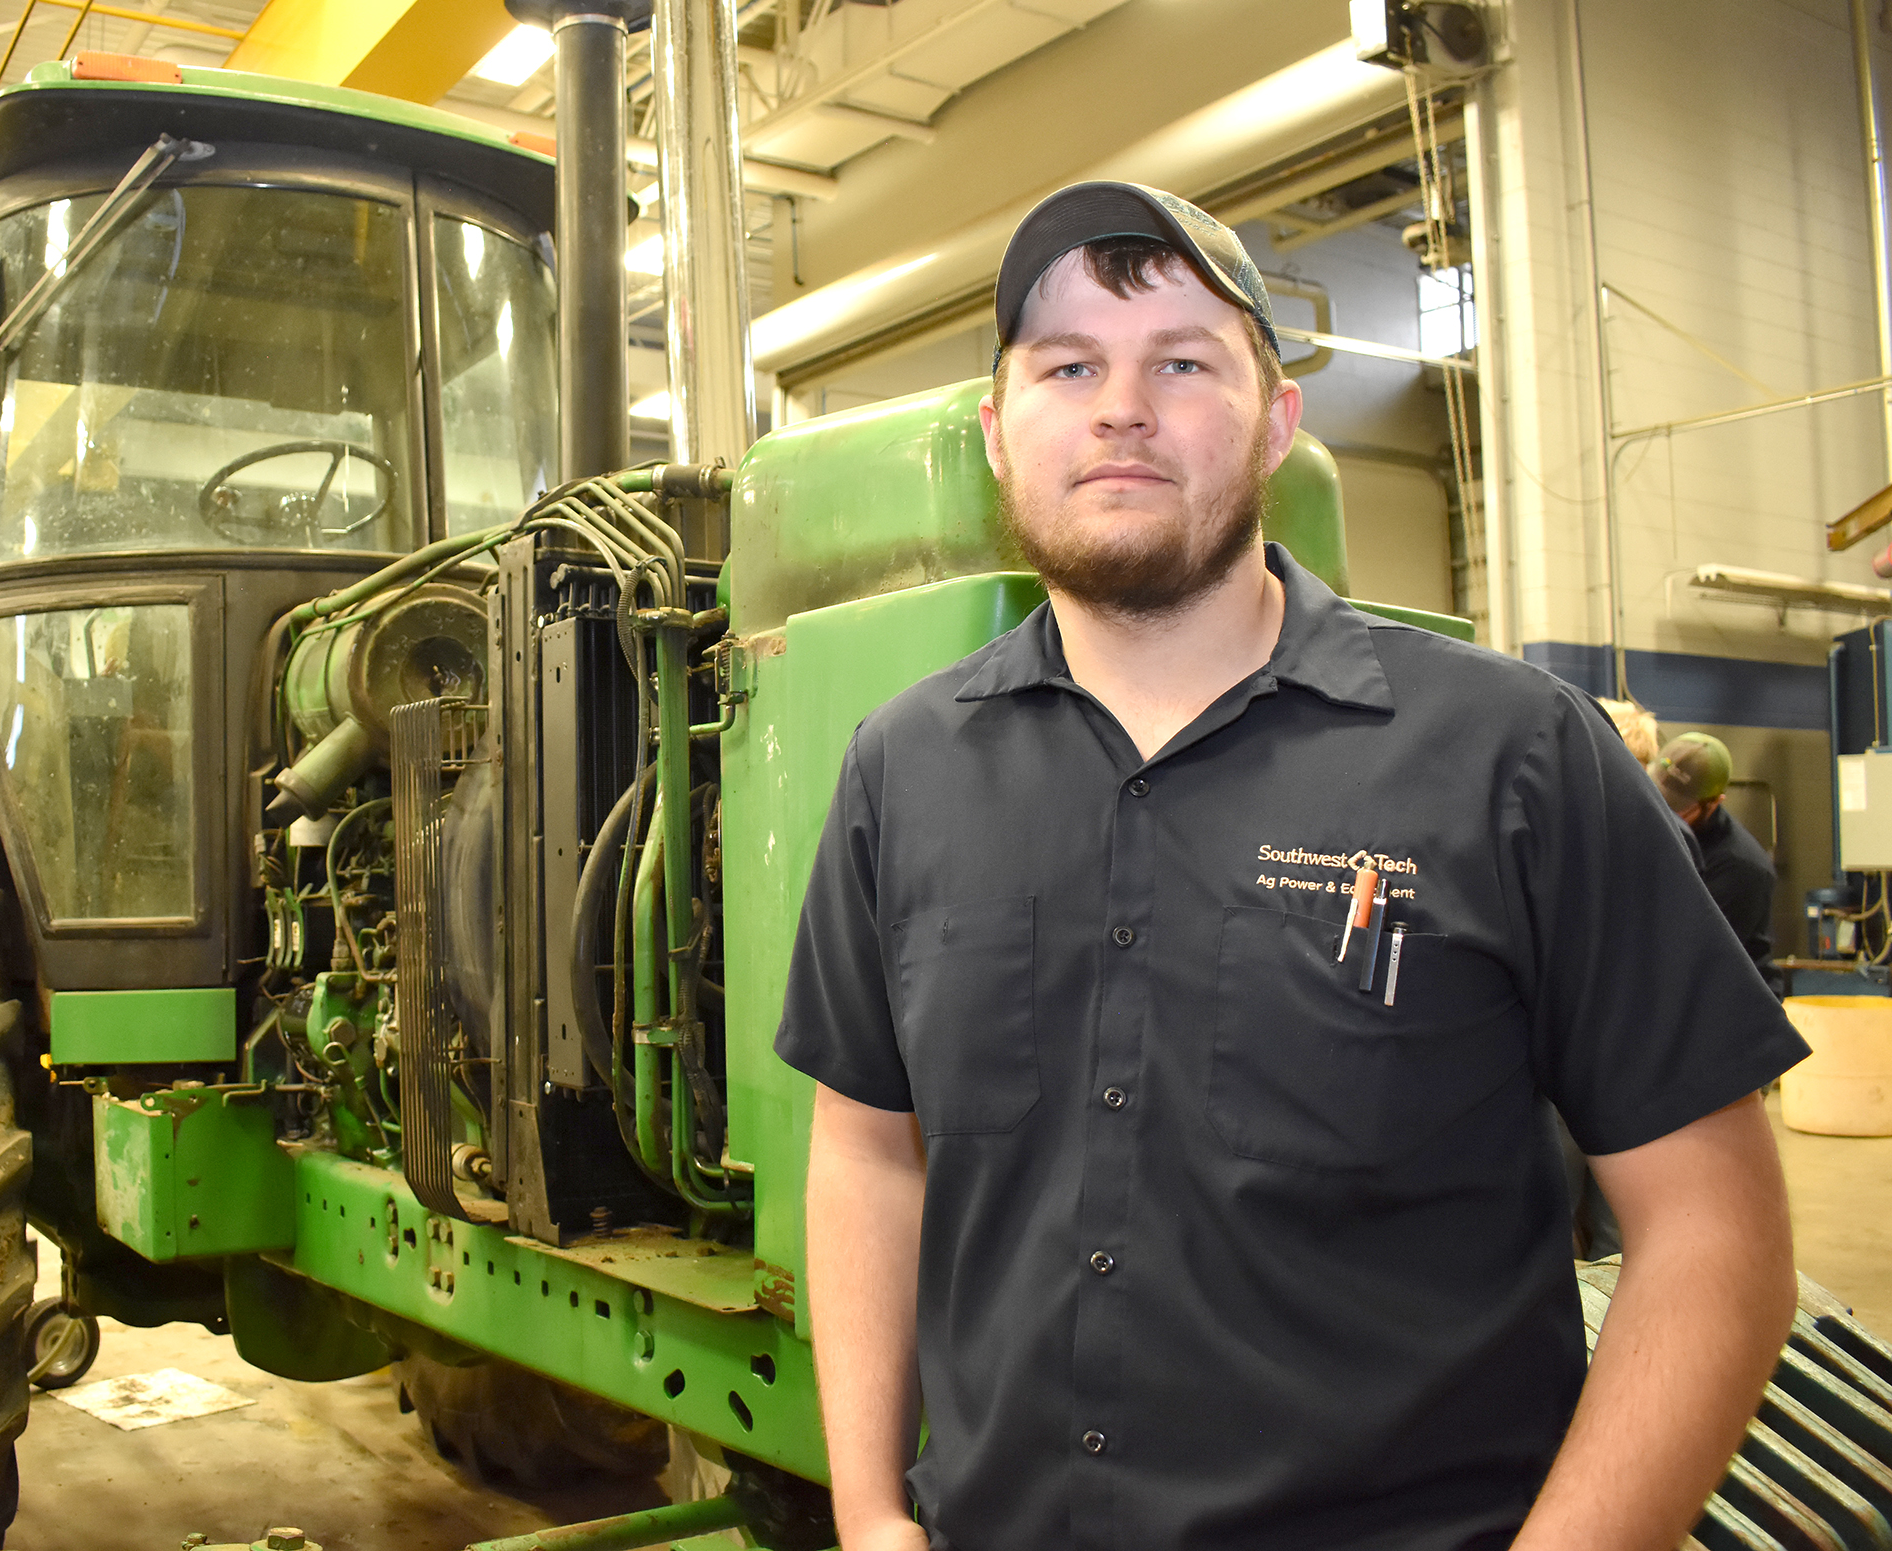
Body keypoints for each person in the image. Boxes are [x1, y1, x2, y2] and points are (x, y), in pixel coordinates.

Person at [775, 180, 1809, 1551]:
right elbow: (867, 1149)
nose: (1120, 405)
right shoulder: (903, 767)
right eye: (1067, 364)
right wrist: (866, 1511)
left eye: (1183, 362)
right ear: (996, 432)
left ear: (1275, 424)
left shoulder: (1513, 757)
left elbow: (1713, 1236)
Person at [1654, 730, 1778, 969]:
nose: (1663, 813)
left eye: (1676, 807)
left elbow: (1694, 956)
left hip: (1727, 998)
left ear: (1713, 803)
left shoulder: (1741, 867)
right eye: (1658, 796)